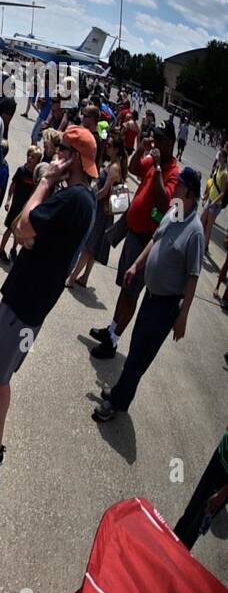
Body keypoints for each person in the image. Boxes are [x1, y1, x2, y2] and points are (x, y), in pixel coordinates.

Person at [0, 126, 97, 469]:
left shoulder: (70, 197)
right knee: (2, 369)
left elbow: (23, 228)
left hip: (25, 299)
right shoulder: (84, 200)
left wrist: (44, 183)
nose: (55, 156)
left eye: (62, 151)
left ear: (73, 158)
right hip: (36, 301)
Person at [92, 168, 203, 422]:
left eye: (180, 185)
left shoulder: (195, 231)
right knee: (135, 349)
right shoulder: (175, 210)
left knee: (139, 357)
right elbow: (156, 239)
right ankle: (121, 393)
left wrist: (183, 315)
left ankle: (117, 402)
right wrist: (136, 265)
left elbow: (193, 276)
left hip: (165, 306)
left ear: (190, 193)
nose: (175, 188)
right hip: (150, 297)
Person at [88, 118, 180, 359]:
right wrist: (141, 148)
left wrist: (159, 166)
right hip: (133, 232)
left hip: (146, 241)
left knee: (131, 293)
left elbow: (164, 202)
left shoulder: (172, 171)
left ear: (170, 142)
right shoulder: (153, 159)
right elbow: (137, 168)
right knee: (124, 288)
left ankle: (114, 341)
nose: (156, 142)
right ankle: (111, 329)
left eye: (160, 139)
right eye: (155, 137)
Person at [68, 130, 128, 289]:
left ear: (116, 149)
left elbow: (105, 191)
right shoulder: (115, 165)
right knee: (93, 247)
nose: (106, 147)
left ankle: (72, 278)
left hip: (101, 211)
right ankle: (84, 277)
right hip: (105, 213)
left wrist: (90, 197)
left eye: (109, 145)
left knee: (88, 246)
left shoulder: (114, 168)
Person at [172, 429, 228, 550]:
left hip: (224, 481)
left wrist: (223, 493)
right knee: (190, 512)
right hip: (220, 455)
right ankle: (170, 546)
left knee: (195, 526)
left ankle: (176, 560)